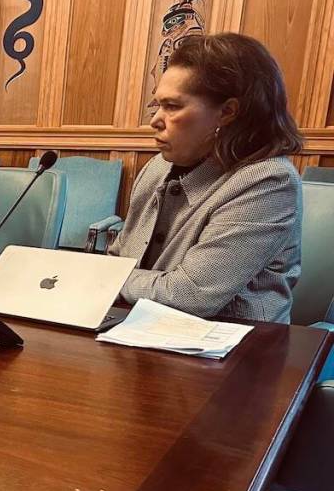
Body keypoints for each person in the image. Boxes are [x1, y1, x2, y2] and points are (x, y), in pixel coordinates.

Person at [108, 33, 304, 323]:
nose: (155, 120)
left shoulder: (268, 181)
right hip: (143, 330)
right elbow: (120, 256)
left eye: (173, 106)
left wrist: (105, 280)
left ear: (227, 112)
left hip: (236, 350)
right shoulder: (157, 168)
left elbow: (191, 296)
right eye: (157, 106)